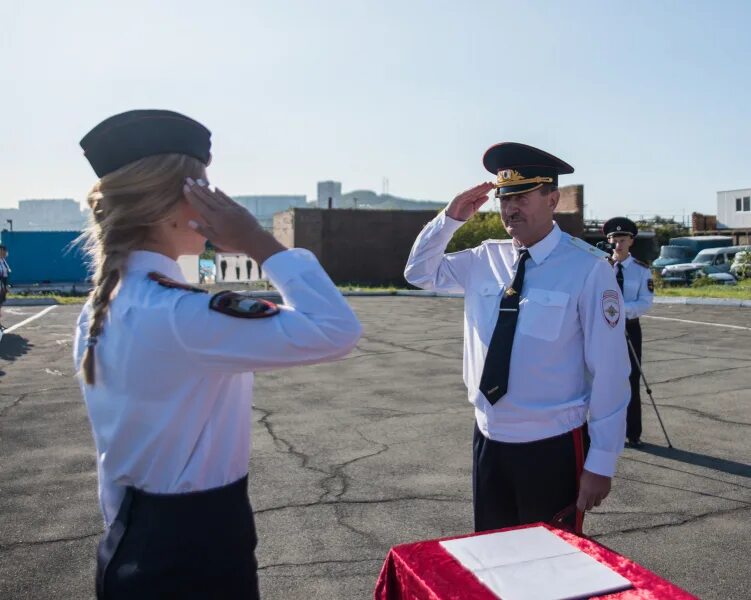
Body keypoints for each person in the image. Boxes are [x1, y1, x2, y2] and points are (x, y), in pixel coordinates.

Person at [74, 109, 361, 599]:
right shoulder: (177, 313)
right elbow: (336, 330)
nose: (215, 203)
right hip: (193, 550)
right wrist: (256, 240)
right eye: (201, 188)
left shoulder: (112, 302)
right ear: (167, 207)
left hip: (132, 538)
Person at [404, 142, 630, 534]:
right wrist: (451, 219)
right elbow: (419, 273)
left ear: (553, 199)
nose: (510, 209)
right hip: (489, 439)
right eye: (505, 199)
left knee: (553, 569)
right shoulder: (483, 259)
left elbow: (610, 371)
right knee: (494, 560)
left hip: (553, 444)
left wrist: (601, 462)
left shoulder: (588, 269)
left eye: (522, 197)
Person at [603, 217, 654, 448]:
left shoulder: (641, 270)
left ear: (631, 241)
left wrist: (622, 311)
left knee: (631, 379)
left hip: (629, 328)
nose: (618, 245)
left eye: (622, 240)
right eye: (614, 240)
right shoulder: (600, 267)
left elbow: (645, 301)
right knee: (601, 379)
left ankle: (633, 432)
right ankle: (603, 431)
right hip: (602, 329)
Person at [0, 245, 11, 330]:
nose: (5, 252)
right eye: (3, 251)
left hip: (3, 284)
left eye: (5, 251)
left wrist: (6, 286)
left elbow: (6, 273)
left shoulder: (3, 261)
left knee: (0, 303)